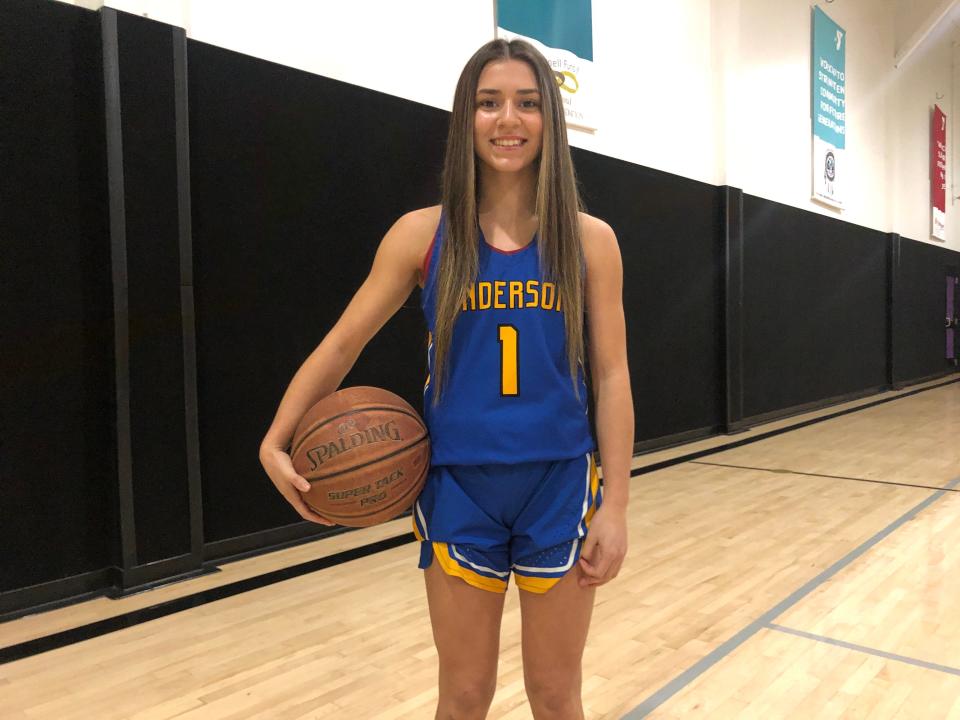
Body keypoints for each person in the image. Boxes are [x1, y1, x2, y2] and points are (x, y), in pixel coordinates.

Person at [260, 38, 633, 720]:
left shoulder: (590, 241)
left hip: (559, 485)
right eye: (489, 103)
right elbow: (342, 344)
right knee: (463, 695)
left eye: (526, 103)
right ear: (467, 119)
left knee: (556, 694)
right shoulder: (421, 236)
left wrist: (616, 505)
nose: (508, 119)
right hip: (459, 488)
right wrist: (275, 440)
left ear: (550, 117)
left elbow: (611, 377)